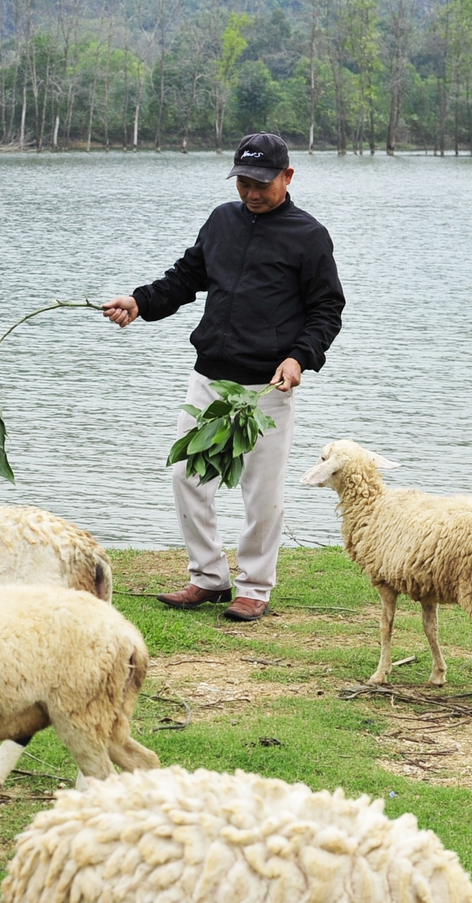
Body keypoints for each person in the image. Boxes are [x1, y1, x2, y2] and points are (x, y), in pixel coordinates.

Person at [103, 133, 345, 623]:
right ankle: (209, 577)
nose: (251, 193)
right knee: (186, 475)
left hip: (267, 389)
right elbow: (186, 278)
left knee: (261, 492)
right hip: (210, 377)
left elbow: (327, 310)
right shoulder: (221, 220)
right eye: (243, 182)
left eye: (261, 182)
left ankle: (255, 586)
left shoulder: (308, 235)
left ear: (287, 176)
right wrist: (139, 301)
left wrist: (300, 358)